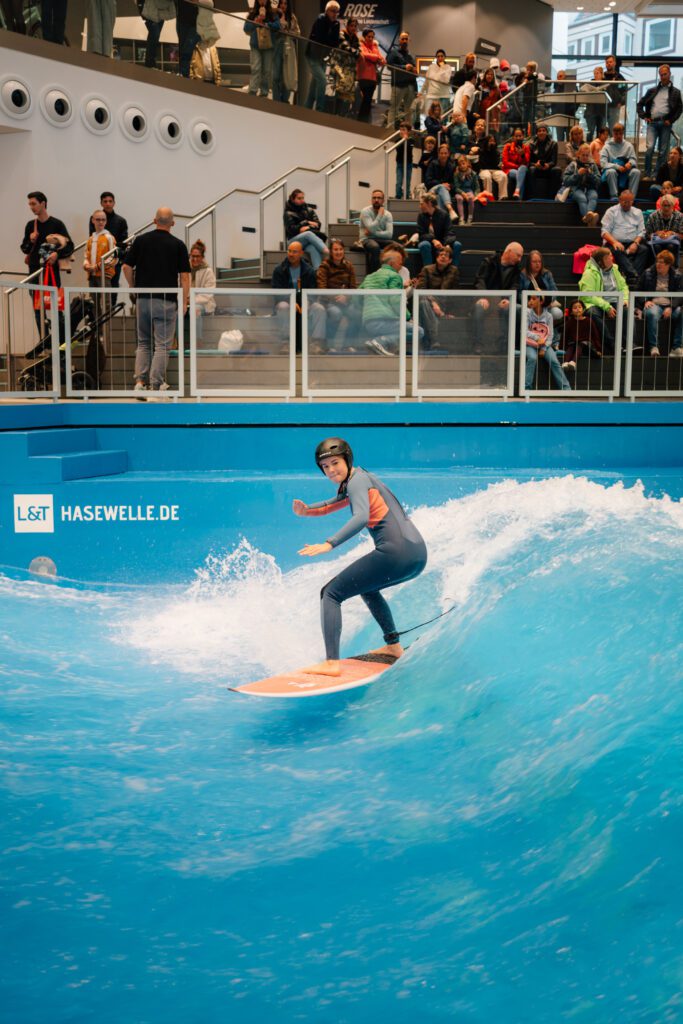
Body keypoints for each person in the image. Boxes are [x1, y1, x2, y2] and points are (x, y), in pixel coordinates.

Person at [294, 438, 427, 677]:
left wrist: (329, 544)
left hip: (395, 553)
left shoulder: (357, 482)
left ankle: (331, 663)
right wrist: (307, 510)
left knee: (331, 593)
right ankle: (393, 645)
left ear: (347, 459)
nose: (331, 470)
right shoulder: (361, 479)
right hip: (416, 554)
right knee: (367, 588)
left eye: (335, 463)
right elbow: (331, 504)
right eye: (325, 467)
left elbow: (360, 517)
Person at [122, 207, 190, 398]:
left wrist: (134, 287)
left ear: (154, 221)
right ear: (173, 223)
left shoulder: (141, 241)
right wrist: (184, 301)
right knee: (162, 345)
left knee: (143, 343)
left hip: (143, 299)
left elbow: (126, 267)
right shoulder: (178, 245)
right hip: (166, 301)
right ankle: (156, 385)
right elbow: (185, 277)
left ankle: (139, 382)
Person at [20, 191, 74, 336]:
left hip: (51, 271)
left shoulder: (57, 224)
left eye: (34, 204)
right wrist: (30, 240)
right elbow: (24, 248)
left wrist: (57, 254)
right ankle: (44, 341)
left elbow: (70, 246)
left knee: (56, 306)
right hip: (34, 271)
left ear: (43, 203)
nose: (31, 207)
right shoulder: (31, 225)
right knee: (38, 308)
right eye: (30, 204)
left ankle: (61, 339)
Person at [271, 240, 326, 352]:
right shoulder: (279, 270)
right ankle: (285, 343)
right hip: (286, 302)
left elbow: (313, 292)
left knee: (319, 309)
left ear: (301, 253)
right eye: (289, 251)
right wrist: (292, 302)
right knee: (283, 307)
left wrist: (307, 302)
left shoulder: (309, 271)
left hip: (305, 303)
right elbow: (277, 293)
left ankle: (316, 343)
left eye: (294, 252)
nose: (291, 254)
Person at [472, 242, 524, 358]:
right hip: (487, 299)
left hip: (503, 301)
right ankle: (478, 344)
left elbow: (515, 286)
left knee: (515, 309)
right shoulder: (489, 262)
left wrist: (508, 299)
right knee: (479, 308)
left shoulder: (516, 269)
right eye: (518, 255)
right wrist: (482, 297)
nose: (520, 259)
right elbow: (480, 280)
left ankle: (509, 345)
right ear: (509, 252)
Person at [578, 246, 629, 355]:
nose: (611, 259)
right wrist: (607, 306)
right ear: (600, 262)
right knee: (592, 313)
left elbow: (623, 286)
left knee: (626, 310)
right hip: (594, 302)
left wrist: (625, 298)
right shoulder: (589, 273)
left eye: (611, 256)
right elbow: (588, 295)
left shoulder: (615, 269)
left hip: (614, 300)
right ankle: (612, 345)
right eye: (607, 258)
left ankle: (628, 344)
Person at [637, 65, 683, 181]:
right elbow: (640, 104)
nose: (663, 77)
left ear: (669, 74)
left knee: (663, 151)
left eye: (665, 74)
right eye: (661, 75)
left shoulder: (676, 92)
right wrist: (644, 116)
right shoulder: (652, 90)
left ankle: (656, 175)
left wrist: (671, 120)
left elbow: (679, 109)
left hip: (665, 124)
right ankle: (647, 174)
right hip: (652, 123)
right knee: (650, 148)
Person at [634, 251, 683, 358]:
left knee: (681, 313)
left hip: (670, 305)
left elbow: (681, 295)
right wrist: (645, 301)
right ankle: (653, 347)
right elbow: (637, 290)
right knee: (652, 314)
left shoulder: (677, 275)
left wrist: (671, 307)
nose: (658, 265)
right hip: (653, 304)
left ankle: (676, 347)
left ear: (669, 265)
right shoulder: (647, 273)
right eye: (657, 262)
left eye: (662, 263)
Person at [316, 238, 358, 350]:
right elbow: (322, 288)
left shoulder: (349, 266)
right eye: (335, 249)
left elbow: (353, 287)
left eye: (340, 249)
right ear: (330, 251)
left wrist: (346, 297)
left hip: (345, 301)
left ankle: (348, 344)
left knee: (357, 313)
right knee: (335, 313)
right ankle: (329, 345)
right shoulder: (324, 266)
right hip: (328, 301)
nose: (338, 252)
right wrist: (336, 297)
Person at [415, 245, 460, 351]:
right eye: (441, 254)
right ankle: (434, 339)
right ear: (436, 258)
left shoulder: (454, 271)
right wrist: (434, 303)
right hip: (429, 303)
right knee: (423, 302)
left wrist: (451, 311)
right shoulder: (427, 269)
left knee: (424, 303)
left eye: (446, 255)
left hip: (444, 305)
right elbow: (421, 290)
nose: (443, 256)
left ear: (450, 260)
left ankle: (432, 339)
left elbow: (456, 293)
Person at [525, 294, 571, 392]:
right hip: (530, 344)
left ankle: (566, 388)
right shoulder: (527, 313)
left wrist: (544, 348)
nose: (531, 301)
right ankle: (526, 388)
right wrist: (537, 338)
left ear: (541, 301)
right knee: (532, 358)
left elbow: (550, 335)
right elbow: (524, 331)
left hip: (544, 345)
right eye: (530, 299)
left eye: (534, 299)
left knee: (554, 361)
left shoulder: (549, 316)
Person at [600, 190, 647, 285]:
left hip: (632, 242)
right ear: (619, 200)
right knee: (618, 249)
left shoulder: (637, 212)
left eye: (630, 202)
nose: (627, 204)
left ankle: (631, 277)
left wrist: (636, 243)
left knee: (644, 249)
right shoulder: (611, 211)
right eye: (625, 202)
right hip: (614, 242)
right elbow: (604, 232)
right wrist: (614, 242)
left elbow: (642, 231)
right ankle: (634, 275)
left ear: (633, 201)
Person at [88, 191, 129, 293]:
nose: (108, 203)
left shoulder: (121, 221)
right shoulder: (94, 218)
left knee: (113, 288)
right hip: (97, 260)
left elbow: (123, 242)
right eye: (105, 201)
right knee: (96, 289)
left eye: (110, 201)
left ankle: (111, 309)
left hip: (114, 261)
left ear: (114, 203)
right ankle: (98, 309)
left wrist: (114, 251)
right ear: (101, 203)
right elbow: (92, 237)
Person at [304, 0, 340, 111]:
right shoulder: (321, 19)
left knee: (314, 84)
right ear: (327, 11)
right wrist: (330, 40)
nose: (335, 14)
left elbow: (334, 43)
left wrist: (329, 40)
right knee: (322, 80)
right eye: (333, 11)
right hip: (313, 55)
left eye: (337, 12)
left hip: (323, 57)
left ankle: (307, 108)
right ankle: (320, 109)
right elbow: (321, 38)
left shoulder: (336, 24)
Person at [519, 249, 563, 340]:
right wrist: (528, 302)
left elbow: (554, 291)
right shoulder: (522, 275)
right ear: (528, 263)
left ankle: (552, 340)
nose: (537, 264)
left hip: (545, 305)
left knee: (557, 313)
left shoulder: (547, 274)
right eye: (534, 261)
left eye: (539, 261)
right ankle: (530, 338)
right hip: (530, 306)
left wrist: (547, 300)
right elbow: (519, 292)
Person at [283, 189, 329, 272]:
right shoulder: (288, 213)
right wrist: (306, 222)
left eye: (303, 198)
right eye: (299, 198)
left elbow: (318, 224)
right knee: (308, 234)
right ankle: (327, 252)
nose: (302, 200)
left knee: (313, 248)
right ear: (293, 199)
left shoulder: (309, 210)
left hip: (306, 242)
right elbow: (291, 230)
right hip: (293, 242)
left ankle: (318, 272)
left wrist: (306, 228)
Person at [83, 209, 117, 321]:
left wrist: (97, 266)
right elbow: (86, 255)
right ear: (93, 220)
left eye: (103, 220)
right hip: (92, 275)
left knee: (107, 302)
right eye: (98, 219)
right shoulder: (91, 239)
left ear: (106, 221)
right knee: (94, 303)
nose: (101, 222)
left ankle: (107, 330)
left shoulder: (109, 237)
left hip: (104, 275)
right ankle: (99, 330)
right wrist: (86, 264)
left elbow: (113, 257)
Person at [243, 0, 281, 98]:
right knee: (255, 68)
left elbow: (278, 26)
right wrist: (256, 21)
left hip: (268, 46)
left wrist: (267, 24)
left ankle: (264, 94)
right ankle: (252, 92)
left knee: (267, 71)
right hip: (255, 45)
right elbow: (246, 28)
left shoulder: (273, 14)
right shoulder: (252, 13)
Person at [415, 192, 462, 269]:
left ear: (429, 203)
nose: (420, 206)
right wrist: (433, 240)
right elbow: (421, 234)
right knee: (424, 245)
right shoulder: (421, 216)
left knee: (457, 245)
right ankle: (428, 272)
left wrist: (447, 244)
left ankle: (453, 272)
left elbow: (450, 232)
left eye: (422, 204)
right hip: (428, 242)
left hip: (443, 242)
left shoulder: (444, 214)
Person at [354, 189, 394, 272]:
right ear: (371, 199)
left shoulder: (388, 214)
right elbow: (371, 228)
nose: (376, 200)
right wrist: (379, 215)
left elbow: (389, 234)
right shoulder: (365, 211)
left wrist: (373, 232)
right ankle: (374, 276)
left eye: (379, 198)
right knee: (375, 247)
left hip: (380, 240)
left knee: (396, 246)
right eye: (374, 198)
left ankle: (392, 274)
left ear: (383, 200)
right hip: (366, 239)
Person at [561, 143, 601, 225]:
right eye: (583, 155)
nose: (585, 157)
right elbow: (565, 180)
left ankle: (589, 217)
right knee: (582, 198)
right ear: (578, 154)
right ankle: (590, 219)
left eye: (587, 155)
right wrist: (577, 174)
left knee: (594, 196)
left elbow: (598, 181)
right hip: (576, 189)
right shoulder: (573, 164)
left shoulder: (593, 165)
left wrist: (590, 175)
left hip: (590, 188)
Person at [600, 123, 640, 201]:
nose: (618, 136)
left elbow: (634, 159)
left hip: (625, 170)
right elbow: (603, 164)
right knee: (611, 172)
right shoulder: (607, 146)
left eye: (620, 134)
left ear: (623, 133)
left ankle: (631, 197)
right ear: (613, 134)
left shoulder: (628, 146)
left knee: (636, 172)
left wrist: (630, 163)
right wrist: (617, 167)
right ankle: (614, 196)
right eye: (616, 134)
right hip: (613, 170)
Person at [186, 239, 216, 343]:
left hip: (203, 303)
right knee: (176, 311)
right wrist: (183, 300)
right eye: (192, 256)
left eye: (197, 256)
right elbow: (179, 287)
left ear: (202, 257)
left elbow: (208, 294)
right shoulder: (184, 269)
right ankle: (176, 341)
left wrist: (191, 301)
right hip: (186, 301)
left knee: (195, 310)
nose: (194, 259)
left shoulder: (208, 271)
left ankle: (197, 341)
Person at [386, 31, 418, 129]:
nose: (404, 41)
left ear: (409, 41)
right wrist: (404, 67)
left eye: (406, 39)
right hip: (398, 85)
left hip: (410, 86)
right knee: (393, 109)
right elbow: (389, 66)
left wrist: (415, 71)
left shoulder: (410, 56)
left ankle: (408, 134)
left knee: (409, 111)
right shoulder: (393, 52)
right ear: (399, 41)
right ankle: (389, 132)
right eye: (402, 39)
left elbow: (414, 71)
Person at [328, 16, 359, 116]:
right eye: (351, 25)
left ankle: (341, 117)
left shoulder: (356, 38)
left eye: (355, 26)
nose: (353, 28)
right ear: (347, 25)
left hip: (349, 69)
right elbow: (345, 46)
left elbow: (358, 51)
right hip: (339, 66)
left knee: (346, 96)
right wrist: (353, 51)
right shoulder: (341, 33)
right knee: (338, 91)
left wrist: (355, 51)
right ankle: (334, 115)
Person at [560, 298, 602, 370]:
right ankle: (566, 362)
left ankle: (573, 362)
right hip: (574, 344)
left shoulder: (589, 321)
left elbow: (595, 335)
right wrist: (561, 346)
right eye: (575, 308)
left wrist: (599, 349)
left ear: (583, 309)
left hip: (587, 345)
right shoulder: (570, 322)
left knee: (581, 344)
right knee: (571, 346)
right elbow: (565, 335)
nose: (578, 309)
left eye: (580, 307)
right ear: (571, 312)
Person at [271, 0, 300, 104]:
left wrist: (288, 31)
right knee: (276, 76)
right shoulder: (274, 15)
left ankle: (285, 100)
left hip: (289, 48)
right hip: (277, 46)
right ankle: (276, 101)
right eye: (281, 3)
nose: (283, 5)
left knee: (288, 74)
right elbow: (271, 30)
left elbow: (297, 33)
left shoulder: (292, 17)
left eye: (285, 3)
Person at [643, 194, 683, 265]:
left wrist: (673, 233)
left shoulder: (680, 216)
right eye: (664, 205)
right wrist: (656, 234)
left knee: (670, 246)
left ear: (673, 206)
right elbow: (647, 234)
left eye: (669, 205)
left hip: (672, 243)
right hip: (657, 242)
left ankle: (671, 268)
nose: (666, 208)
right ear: (661, 206)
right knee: (657, 246)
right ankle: (657, 267)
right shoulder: (653, 216)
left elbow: (682, 235)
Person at [357, 28, 384, 124]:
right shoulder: (360, 44)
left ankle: (364, 122)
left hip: (372, 78)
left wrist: (375, 58)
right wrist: (376, 58)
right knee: (363, 101)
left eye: (372, 37)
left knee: (368, 102)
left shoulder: (375, 46)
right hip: (363, 76)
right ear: (364, 37)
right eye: (369, 36)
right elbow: (364, 54)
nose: (371, 38)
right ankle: (360, 122)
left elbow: (383, 60)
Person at [425, 143, 458, 220]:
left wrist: (449, 186)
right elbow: (427, 181)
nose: (443, 155)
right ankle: (450, 209)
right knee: (441, 187)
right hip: (432, 190)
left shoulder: (451, 166)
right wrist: (441, 184)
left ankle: (440, 220)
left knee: (440, 196)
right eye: (441, 153)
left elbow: (454, 183)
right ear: (438, 154)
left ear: (448, 154)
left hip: (444, 192)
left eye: (445, 153)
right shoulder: (432, 164)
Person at [526, 124, 561, 198]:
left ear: (546, 132)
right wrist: (535, 164)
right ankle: (531, 196)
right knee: (531, 169)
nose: (541, 132)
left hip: (548, 168)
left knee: (557, 170)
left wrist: (548, 165)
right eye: (539, 131)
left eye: (543, 131)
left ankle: (552, 196)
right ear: (537, 133)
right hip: (536, 168)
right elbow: (528, 162)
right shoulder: (531, 145)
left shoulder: (553, 144)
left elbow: (554, 161)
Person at [140, 0, 175, 70]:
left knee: (154, 39)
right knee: (154, 37)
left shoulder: (170, 2)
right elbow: (152, 10)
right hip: (151, 17)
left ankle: (150, 63)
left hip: (158, 19)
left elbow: (173, 14)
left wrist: (159, 15)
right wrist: (162, 13)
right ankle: (150, 64)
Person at [580, 67, 609, 143]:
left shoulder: (606, 84)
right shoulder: (589, 84)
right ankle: (588, 148)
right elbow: (584, 97)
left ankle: (599, 149)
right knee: (590, 132)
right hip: (591, 111)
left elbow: (610, 97)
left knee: (601, 133)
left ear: (602, 74)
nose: (595, 75)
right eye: (594, 74)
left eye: (597, 73)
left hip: (602, 111)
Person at [502, 127, 530, 199]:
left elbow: (527, 163)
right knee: (520, 175)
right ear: (513, 137)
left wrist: (522, 155)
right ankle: (519, 199)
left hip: (522, 169)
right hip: (510, 170)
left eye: (520, 136)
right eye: (516, 136)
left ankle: (517, 191)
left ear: (523, 137)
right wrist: (517, 167)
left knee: (523, 168)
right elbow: (505, 162)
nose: (518, 138)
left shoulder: (526, 148)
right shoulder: (507, 146)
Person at [478, 135, 507, 199]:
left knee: (503, 176)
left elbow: (495, 163)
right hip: (484, 169)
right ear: (486, 142)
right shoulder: (481, 151)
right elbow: (483, 164)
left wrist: (492, 150)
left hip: (495, 170)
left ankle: (502, 197)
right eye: (490, 141)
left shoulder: (496, 152)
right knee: (487, 177)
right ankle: (488, 196)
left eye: (493, 141)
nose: (492, 143)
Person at [452, 156, 479, 224]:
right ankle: (461, 218)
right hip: (460, 191)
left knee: (470, 198)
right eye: (460, 165)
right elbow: (456, 187)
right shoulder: (456, 174)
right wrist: (462, 193)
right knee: (459, 199)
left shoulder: (473, 173)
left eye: (463, 163)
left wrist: (476, 195)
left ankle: (470, 217)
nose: (462, 166)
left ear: (467, 163)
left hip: (469, 191)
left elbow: (477, 187)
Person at [176, 0, 200, 78]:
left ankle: (184, 75)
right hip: (182, 21)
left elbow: (211, 4)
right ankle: (183, 74)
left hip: (195, 24)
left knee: (186, 50)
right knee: (183, 49)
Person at [603, 54, 627, 132]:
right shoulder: (602, 77)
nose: (608, 64)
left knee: (613, 130)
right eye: (607, 62)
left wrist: (621, 102)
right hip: (602, 107)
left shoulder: (620, 77)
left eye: (610, 62)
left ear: (614, 63)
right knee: (602, 130)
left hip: (615, 106)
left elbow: (625, 91)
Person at [394, 122, 415, 200]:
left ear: (408, 132)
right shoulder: (397, 140)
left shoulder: (411, 140)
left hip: (408, 164)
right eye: (400, 130)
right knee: (399, 180)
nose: (401, 131)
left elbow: (409, 150)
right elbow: (398, 150)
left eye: (404, 130)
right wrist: (402, 140)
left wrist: (405, 140)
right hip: (400, 163)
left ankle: (406, 195)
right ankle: (398, 195)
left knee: (407, 180)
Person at [478, 67, 501, 135]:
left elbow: (500, 99)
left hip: (493, 113)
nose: (490, 76)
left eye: (491, 74)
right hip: (482, 111)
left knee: (492, 132)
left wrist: (499, 106)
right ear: (485, 75)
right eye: (488, 74)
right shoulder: (481, 86)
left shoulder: (496, 88)